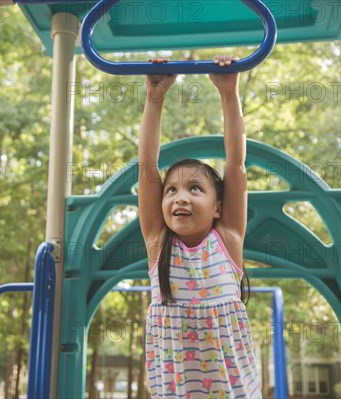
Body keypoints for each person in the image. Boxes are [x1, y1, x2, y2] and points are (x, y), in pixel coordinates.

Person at [139, 55, 262, 398]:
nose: (180, 198)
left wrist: (228, 92)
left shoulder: (227, 238)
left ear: (218, 206)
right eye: (171, 190)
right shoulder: (158, 243)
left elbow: (235, 164)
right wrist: (155, 96)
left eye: (195, 189)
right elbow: (148, 166)